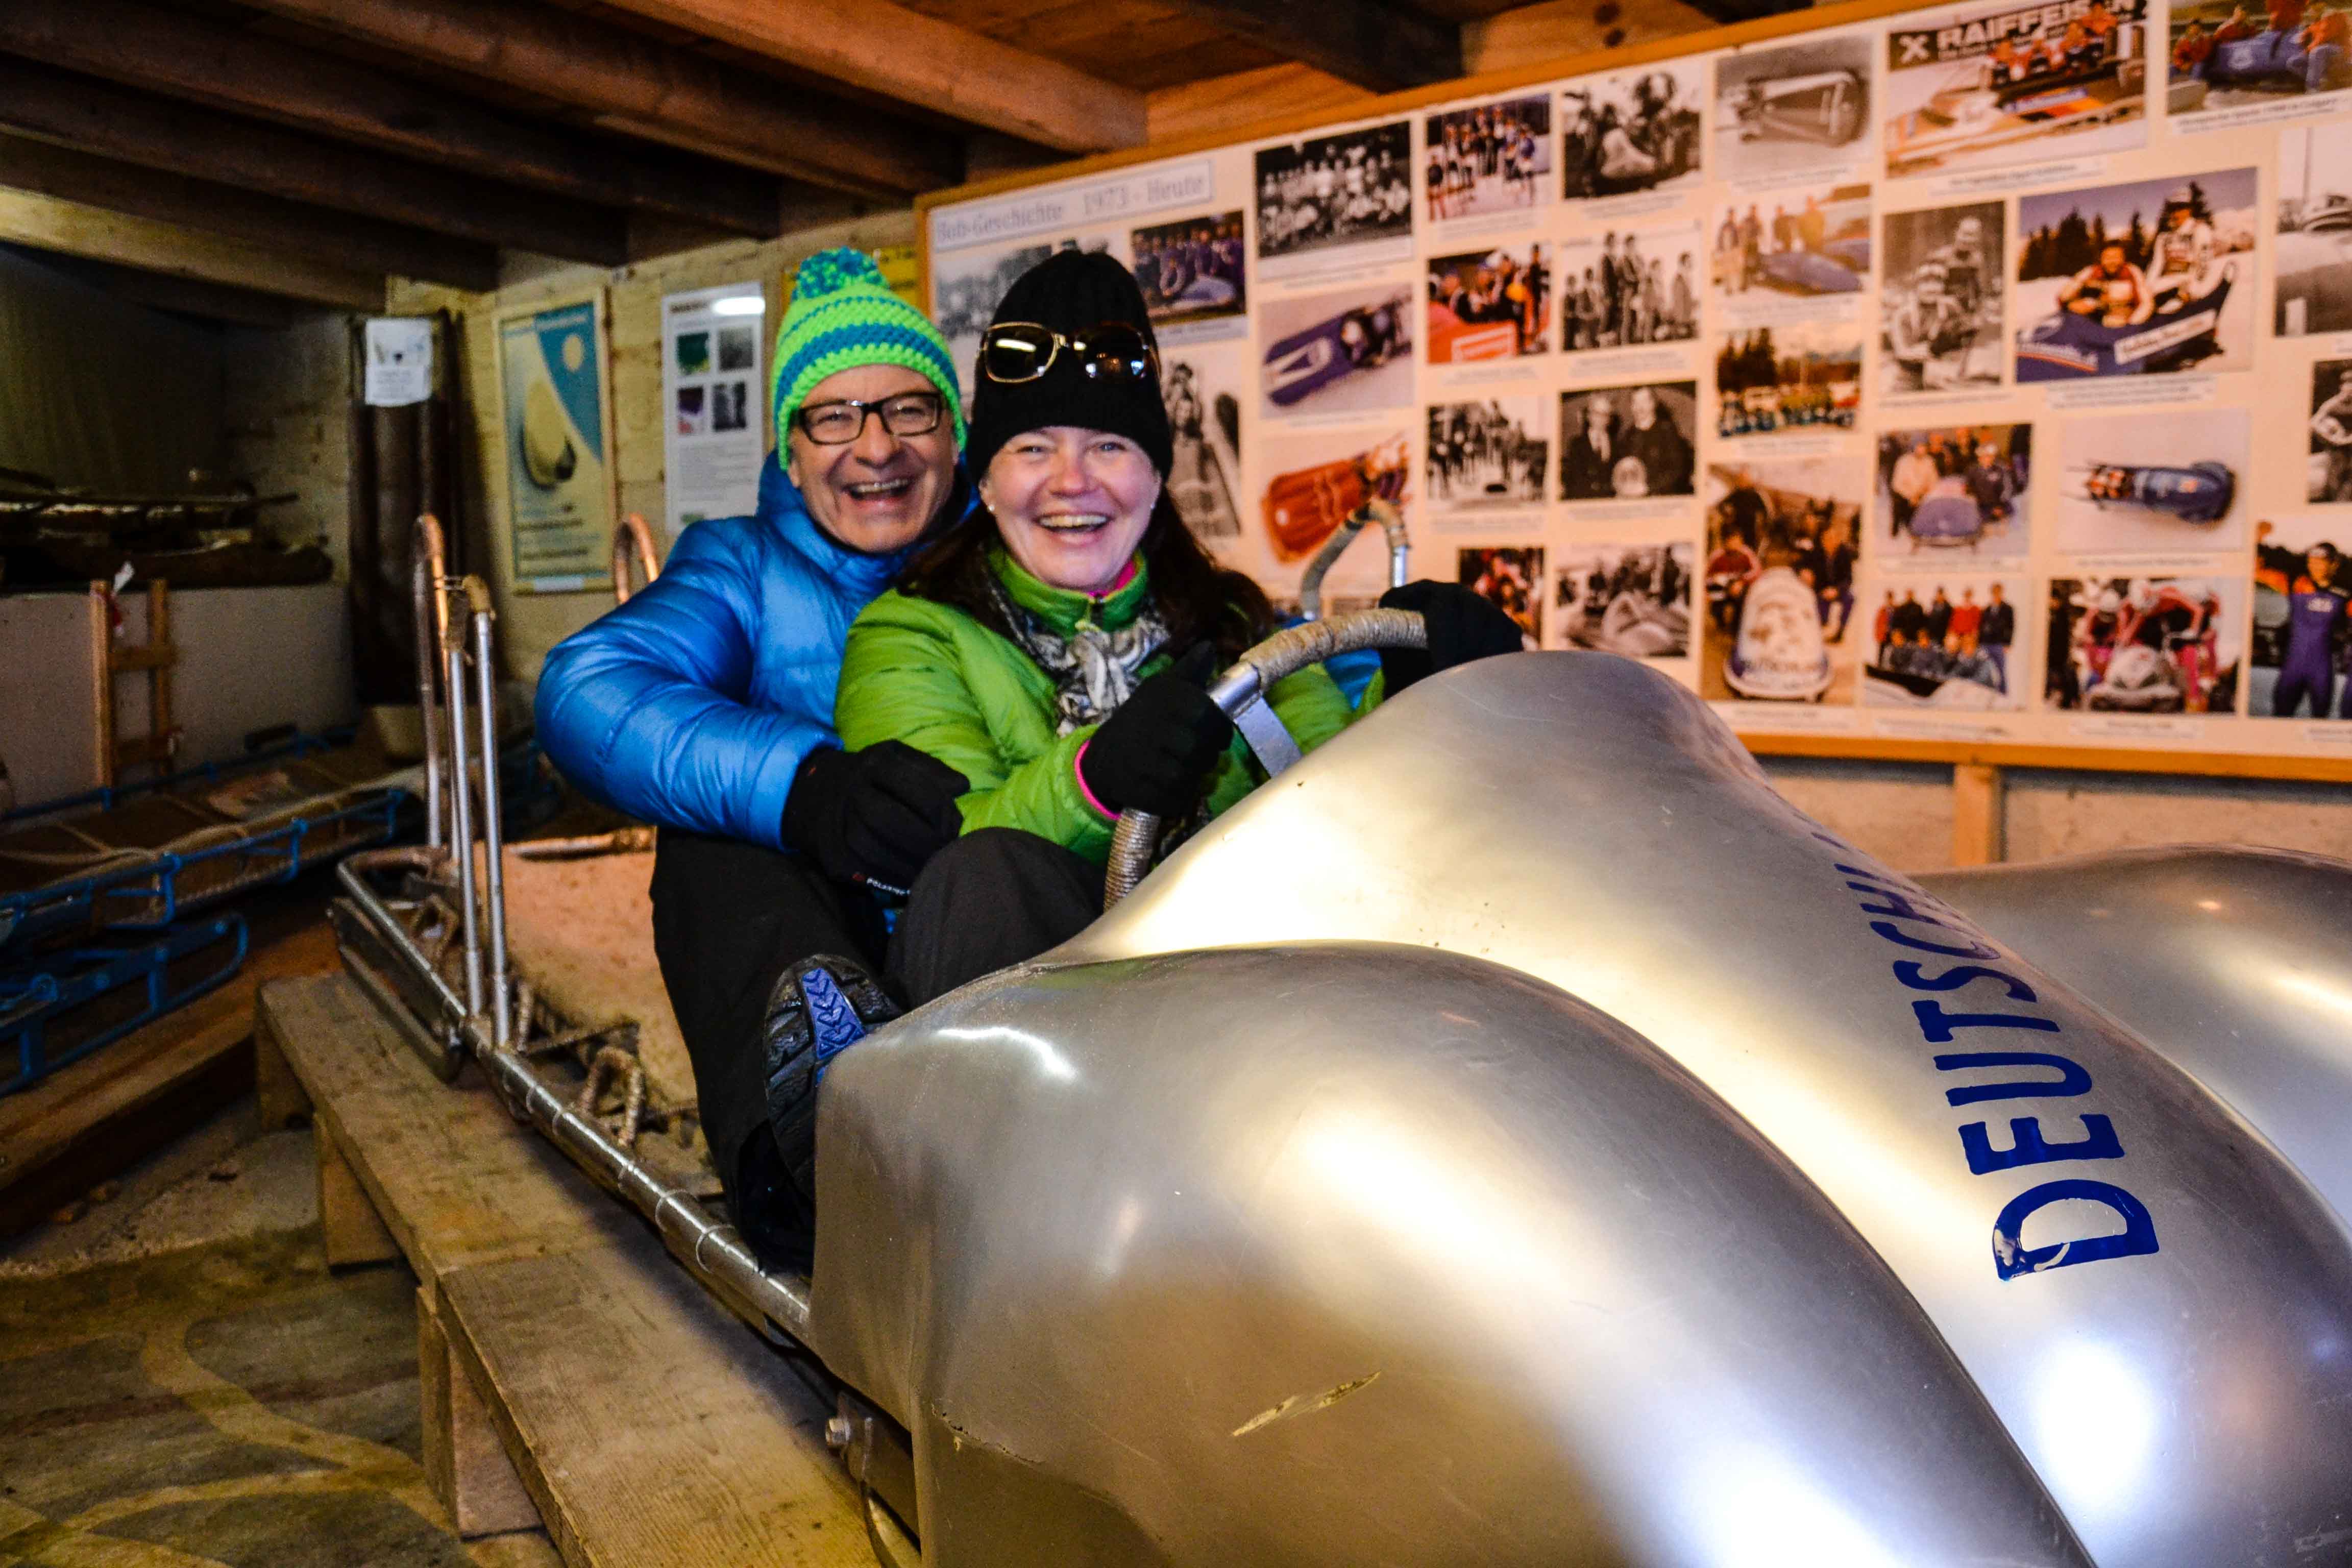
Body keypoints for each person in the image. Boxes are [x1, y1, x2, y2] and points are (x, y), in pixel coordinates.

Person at [812, 249, 1522, 1070]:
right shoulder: (910, 634)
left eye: (1110, 446)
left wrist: (1426, 700)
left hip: (1243, 1016)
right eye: (1034, 449)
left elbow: (1338, 802)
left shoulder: (1230, 619)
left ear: (1155, 476)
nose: (1071, 484)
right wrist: (1094, 785)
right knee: (983, 871)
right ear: (989, 479)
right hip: (1043, 1035)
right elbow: (935, 862)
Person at [533, 247, 972, 1269]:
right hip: (829, 924)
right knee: (708, 845)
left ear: (953, 430)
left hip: (980, 912)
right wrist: (803, 785)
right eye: (834, 416)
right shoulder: (741, 566)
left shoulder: (1011, 551)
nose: (877, 448)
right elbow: (588, 687)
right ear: (790, 441)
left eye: (910, 410)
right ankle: (809, 1146)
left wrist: (1394, 661)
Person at [1622, 385, 1692, 497]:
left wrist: (1649, 488)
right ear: (1631, 406)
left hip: (1662, 498)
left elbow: (1678, 470)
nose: (1640, 407)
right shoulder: (1627, 436)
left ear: (1653, 403)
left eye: (1644, 401)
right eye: (1635, 402)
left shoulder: (1668, 432)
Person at [1560, 391, 1622, 500]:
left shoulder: (1617, 445)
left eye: (1605, 414)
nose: (1601, 419)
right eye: (1597, 413)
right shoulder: (1576, 444)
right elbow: (1572, 481)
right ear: (1589, 415)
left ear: (1609, 419)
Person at [1979, 582, 2016, 692]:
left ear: (2001, 592)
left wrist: (2007, 643)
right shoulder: (1987, 609)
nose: (1996, 595)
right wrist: (1981, 643)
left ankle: (2003, 692)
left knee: (2001, 670)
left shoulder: (2008, 609)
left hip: (1999, 644)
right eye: (1994, 592)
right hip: (1986, 644)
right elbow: (1982, 627)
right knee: (1985, 669)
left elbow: (2011, 627)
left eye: (1998, 592)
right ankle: (1987, 690)